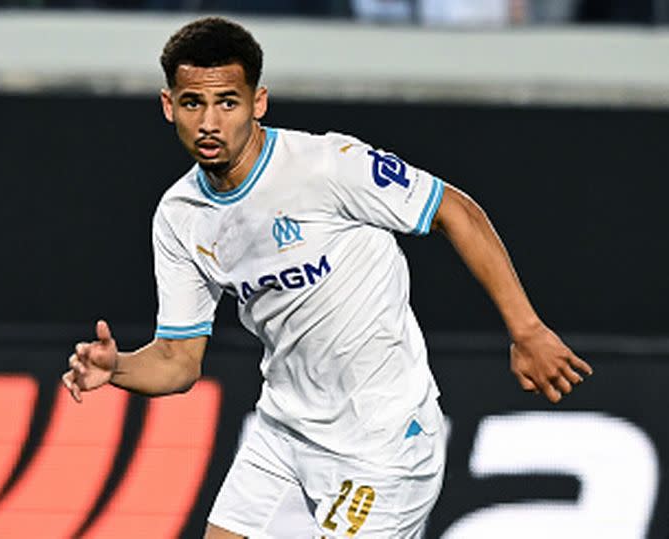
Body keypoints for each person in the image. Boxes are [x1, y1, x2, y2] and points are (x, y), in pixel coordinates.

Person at [62, 16, 593, 538]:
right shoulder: (180, 215)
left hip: (384, 443)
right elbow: (179, 362)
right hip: (283, 432)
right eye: (192, 103)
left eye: (228, 102)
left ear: (258, 102)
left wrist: (526, 330)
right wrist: (119, 368)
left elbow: (456, 211)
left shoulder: (326, 166)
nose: (209, 123)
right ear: (168, 105)